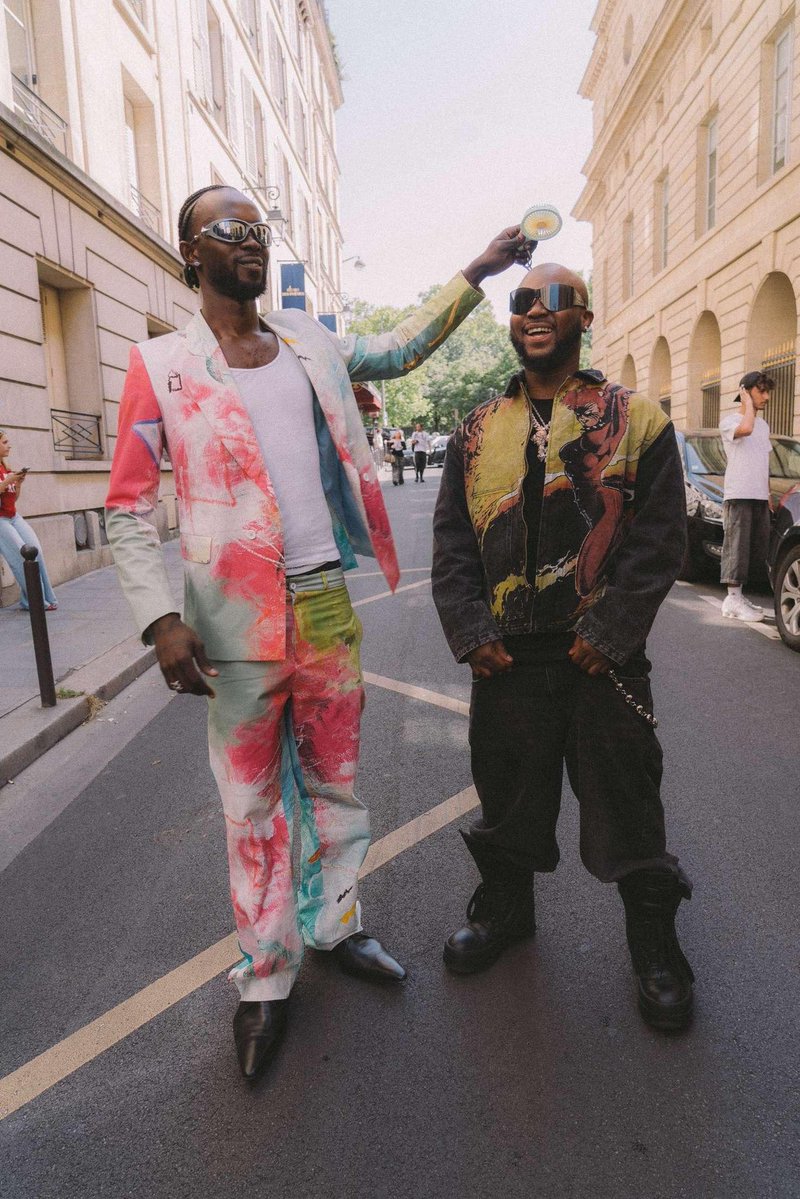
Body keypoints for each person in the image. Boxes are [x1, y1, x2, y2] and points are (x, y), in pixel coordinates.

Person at [105, 183, 530, 1080]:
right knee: (251, 807)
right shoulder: (159, 365)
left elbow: (400, 347)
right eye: (230, 230)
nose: (251, 241)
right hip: (232, 625)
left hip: (328, 603)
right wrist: (159, 617)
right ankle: (264, 976)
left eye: (259, 229)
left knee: (335, 785)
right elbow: (128, 505)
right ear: (190, 254)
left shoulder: (308, 340)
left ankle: (336, 923)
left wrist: (479, 271)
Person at [431, 262, 695, 1032]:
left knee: (630, 804)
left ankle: (654, 943)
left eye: (554, 299)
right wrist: (472, 630)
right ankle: (506, 910)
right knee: (507, 795)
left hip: (600, 657)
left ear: (585, 317)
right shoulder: (476, 428)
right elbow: (452, 541)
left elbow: (660, 541)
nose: (535, 311)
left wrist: (610, 633)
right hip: (507, 657)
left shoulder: (636, 418)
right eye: (522, 302)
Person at [719, 371, 774, 622]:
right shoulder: (729, 421)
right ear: (745, 391)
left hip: (759, 494)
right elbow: (746, 429)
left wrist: (768, 493)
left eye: (767, 391)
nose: (767, 397)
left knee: (755, 550)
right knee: (737, 548)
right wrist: (747, 404)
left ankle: (738, 597)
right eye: (761, 391)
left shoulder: (764, 426)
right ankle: (732, 599)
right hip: (739, 493)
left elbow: (764, 460)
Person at [0, 431, 57, 611]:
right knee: (20, 557)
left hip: (13, 516)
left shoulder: (5, 467)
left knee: (35, 550)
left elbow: (13, 499)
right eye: (5, 442)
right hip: (1, 520)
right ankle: (35, 601)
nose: (9, 445)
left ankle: (43, 597)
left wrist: (18, 484)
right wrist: (6, 482)